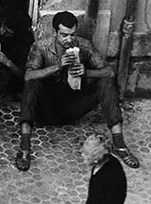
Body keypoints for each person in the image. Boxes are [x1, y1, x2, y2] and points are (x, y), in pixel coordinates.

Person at [15, 11, 140, 171]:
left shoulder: (84, 45)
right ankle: (25, 148)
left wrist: (86, 72)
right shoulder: (41, 47)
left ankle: (119, 144)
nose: (69, 40)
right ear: (55, 33)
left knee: (106, 83)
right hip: (45, 109)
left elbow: (109, 72)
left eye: (72, 34)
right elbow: (28, 75)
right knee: (32, 84)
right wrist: (57, 66)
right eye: (64, 35)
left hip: (73, 107)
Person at [82, 134, 127, 204]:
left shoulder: (101, 179)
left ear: (96, 158)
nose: (82, 155)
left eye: (86, 153)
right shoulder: (112, 161)